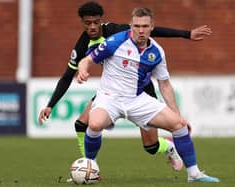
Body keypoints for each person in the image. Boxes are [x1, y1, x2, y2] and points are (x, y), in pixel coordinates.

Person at [38, 1, 212, 172]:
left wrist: (187, 34)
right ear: (81, 23)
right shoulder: (82, 44)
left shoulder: (115, 31)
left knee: (151, 146)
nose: (92, 26)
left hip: (140, 91)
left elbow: (151, 31)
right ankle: (89, 168)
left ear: (101, 20)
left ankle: (169, 148)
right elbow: (68, 76)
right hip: (111, 92)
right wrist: (50, 104)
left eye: (96, 22)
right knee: (83, 124)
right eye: (87, 23)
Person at [77, 7, 220, 183]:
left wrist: (176, 113)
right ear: (131, 26)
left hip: (137, 99)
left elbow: (165, 85)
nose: (141, 30)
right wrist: (83, 69)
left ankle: (194, 173)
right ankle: (90, 167)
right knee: (95, 123)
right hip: (109, 97)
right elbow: (88, 60)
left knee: (179, 124)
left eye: (145, 26)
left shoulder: (157, 52)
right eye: (136, 26)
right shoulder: (115, 42)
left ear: (152, 26)